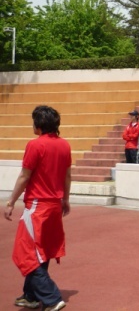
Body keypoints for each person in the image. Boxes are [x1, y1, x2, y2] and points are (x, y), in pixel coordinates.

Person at [4, 105, 71, 311]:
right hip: (54, 206)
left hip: (37, 206)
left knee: (26, 253)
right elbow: (67, 176)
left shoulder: (35, 145)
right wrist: (65, 199)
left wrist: (10, 201)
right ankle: (30, 295)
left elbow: (25, 176)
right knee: (42, 250)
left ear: (39, 125)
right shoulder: (64, 145)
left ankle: (51, 298)